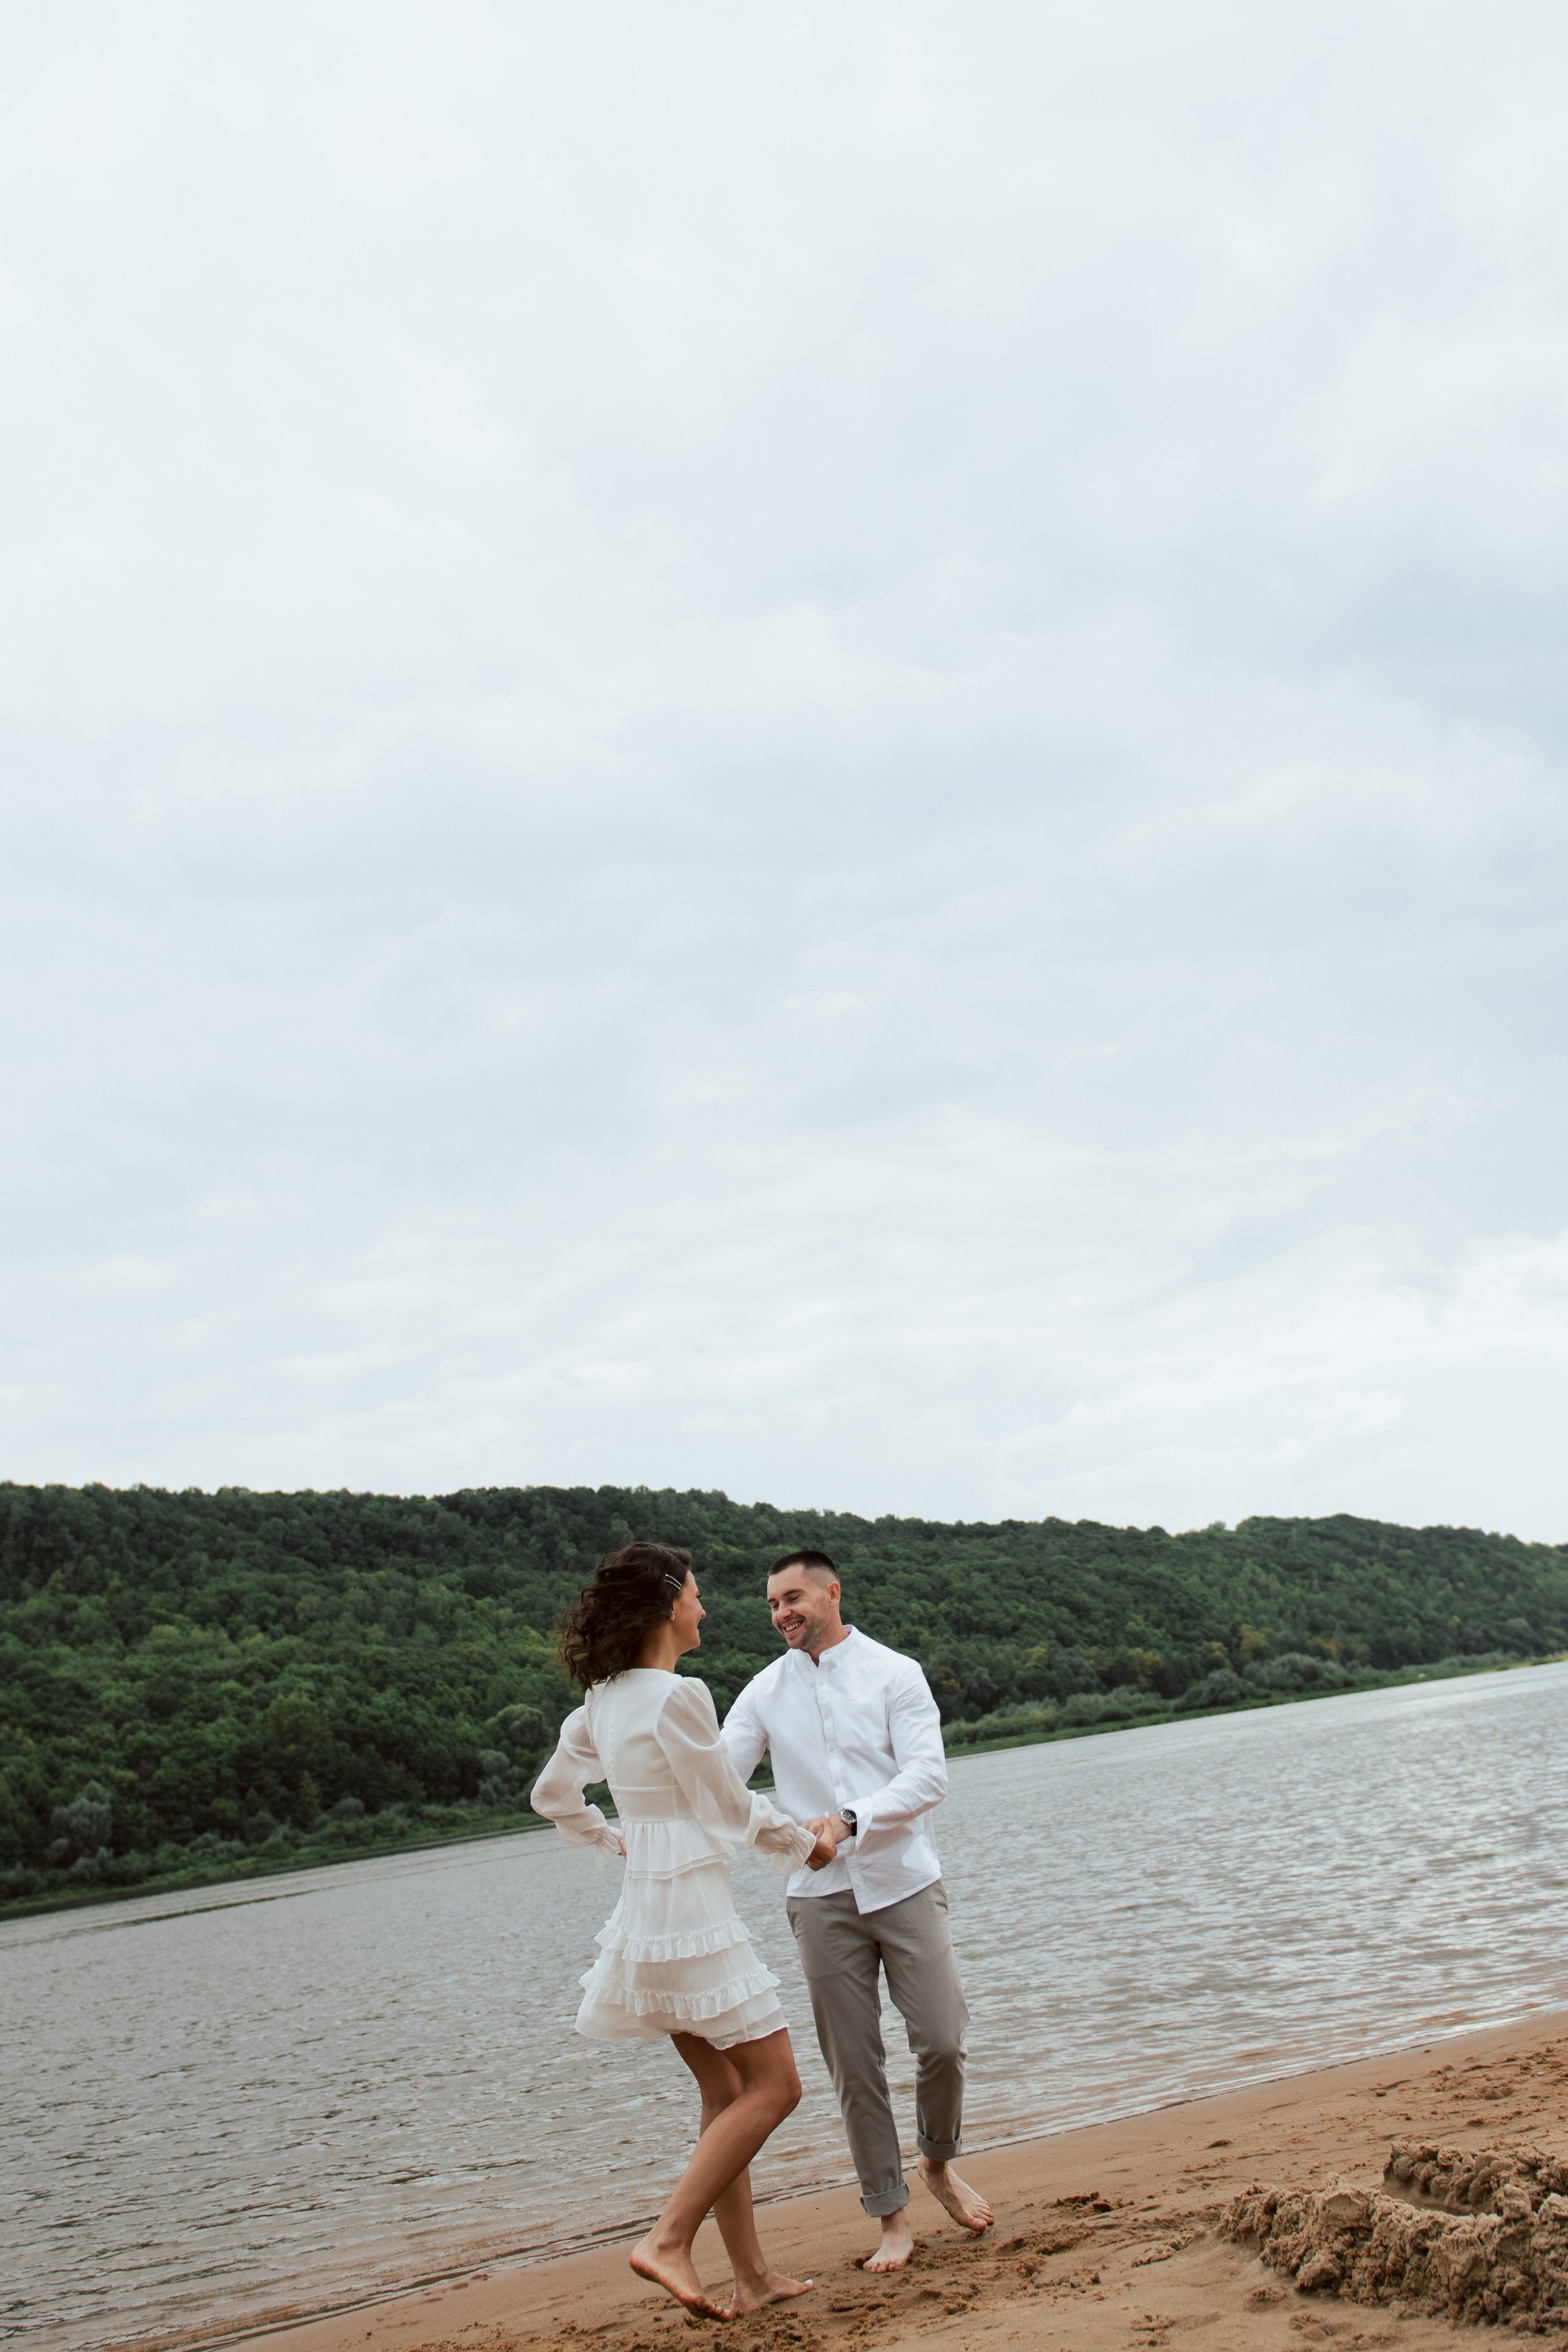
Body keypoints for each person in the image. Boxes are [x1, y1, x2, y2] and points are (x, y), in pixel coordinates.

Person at [530, 1540, 836, 2320]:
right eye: (696, 1594)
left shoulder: (601, 1699)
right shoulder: (677, 1695)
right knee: (777, 2086)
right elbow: (728, 1807)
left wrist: (613, 1835)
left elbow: (551, 1795)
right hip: (693, 1917)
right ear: (669, 1603)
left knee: (724, 2090)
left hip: (645, 1916)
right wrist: (807, 1843)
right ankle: (668, 2238)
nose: (704, 1607)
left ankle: (753, 2276)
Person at [722, 1550, 993, 2274]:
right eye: (772, 1604)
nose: (782, 1613)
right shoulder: (761, 1693)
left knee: (941, 2037)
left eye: (793, 1598)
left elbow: (928, 1774)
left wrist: (849, 1818)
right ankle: (891, 2216)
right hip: (816, 1901)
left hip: (902, 1878)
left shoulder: (895, 1673)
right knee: (854, 2066)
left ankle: (937, 2163)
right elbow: (720, 1783)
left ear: (831, 1593)